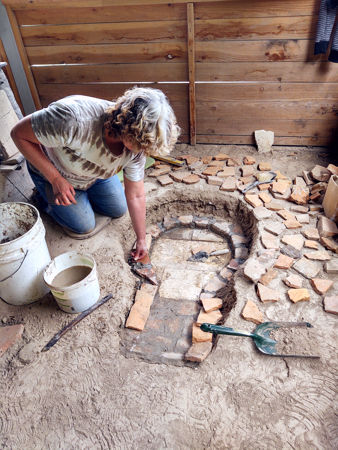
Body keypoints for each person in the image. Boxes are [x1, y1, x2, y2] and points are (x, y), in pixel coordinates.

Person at [11, 87, 180, 261]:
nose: (144, 152)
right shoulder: (72, 118)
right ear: (128, 131)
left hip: (94, 174)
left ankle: (83, 193)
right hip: (57, 171)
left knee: (118, 209)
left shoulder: (137, 148)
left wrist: (142, 239)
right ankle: (43, 196)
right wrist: (55, 179)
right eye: (142, 146)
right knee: (84, 225)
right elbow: (18, 134)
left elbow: (136, 194)